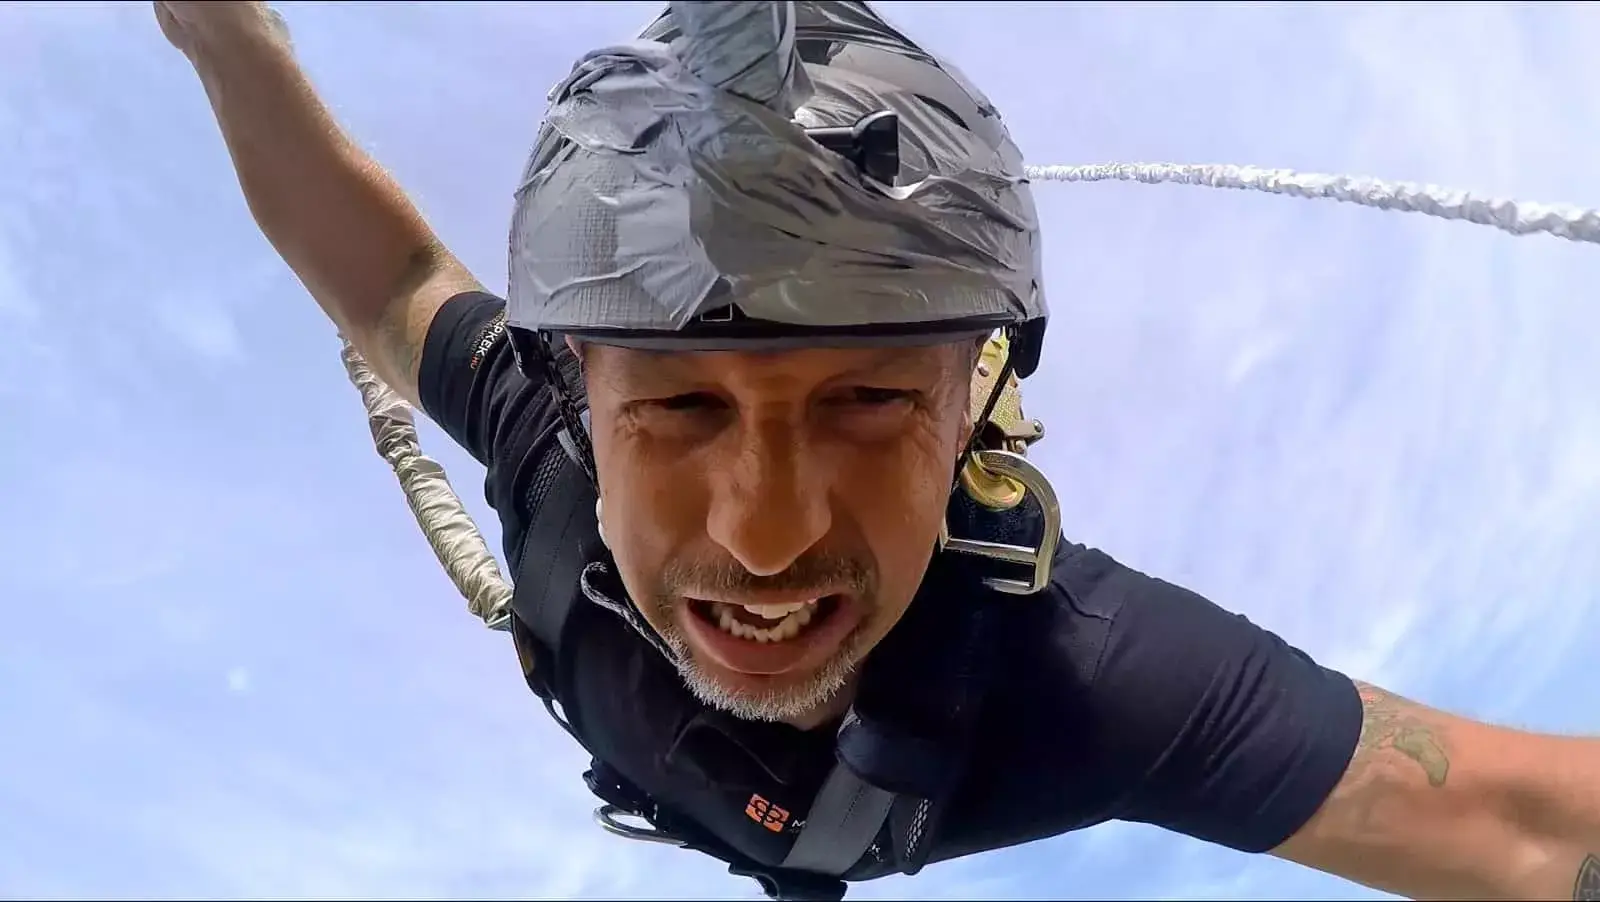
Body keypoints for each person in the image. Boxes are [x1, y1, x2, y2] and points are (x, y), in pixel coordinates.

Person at [156, 1, 1600, 899]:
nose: (768, 535)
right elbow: (388, 275)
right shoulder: (541, 425)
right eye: (681, 409)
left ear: (976, 406)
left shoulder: (1066, 666)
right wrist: (219, 32)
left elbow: (1529, 830)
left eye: (867, 403)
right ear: (579, 384)